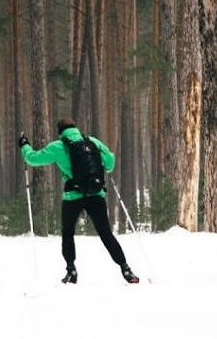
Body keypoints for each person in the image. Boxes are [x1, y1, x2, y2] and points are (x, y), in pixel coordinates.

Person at [18, 118, 139, 284]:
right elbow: (110, 161)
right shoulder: (92, 141)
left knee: (68, 233)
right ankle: (125, 268)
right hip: (96, 195)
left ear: (60, 132)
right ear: (75, 128)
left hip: (72, 197)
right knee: (105, 233)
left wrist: (25, 145)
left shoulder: (59, 146)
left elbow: (32, 159)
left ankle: (71, 270)